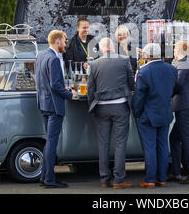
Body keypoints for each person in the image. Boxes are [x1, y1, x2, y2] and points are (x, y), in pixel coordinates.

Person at [87, 38, 135, 189]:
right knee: (120, 144)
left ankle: (104, 179)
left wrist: (91, 105)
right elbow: (132, 83)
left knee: (103, 144)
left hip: (101, 107)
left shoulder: (94, 64)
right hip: (120, 106)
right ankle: (119, 180)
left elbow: (90, 89)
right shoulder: (124, 60)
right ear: (113, 47)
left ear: (101, 50)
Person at [35, 30, 78, 188]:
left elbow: (42, 82)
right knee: (51, 143)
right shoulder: (53, 59)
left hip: (43, 104)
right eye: (65, 41)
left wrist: (64, 89)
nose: (66, 44)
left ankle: (44, 176)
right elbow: (55, 85)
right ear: (58, 41)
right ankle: (50, 180)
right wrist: (70, 94)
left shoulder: (41, 56)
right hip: (54, 105)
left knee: (49, 142)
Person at [132, 43, 178, 188]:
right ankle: (161, 178)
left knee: (150, 147)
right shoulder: (172, 69)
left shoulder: (144, 72)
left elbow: (139, 96)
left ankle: (150, 180)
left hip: (147, 115)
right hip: (165, 112)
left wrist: (136, 113)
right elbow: (174, 89)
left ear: (147, 56)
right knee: (163, 146)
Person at [169, 41, 189, 184]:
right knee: (174, 138)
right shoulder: (188, 61)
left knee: (187, 140)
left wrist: (165, 93)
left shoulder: (184, 63)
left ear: (179, 50)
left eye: (175, 50)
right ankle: (176, 172)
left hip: (185, 106)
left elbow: (178, 84)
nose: (174, 53)